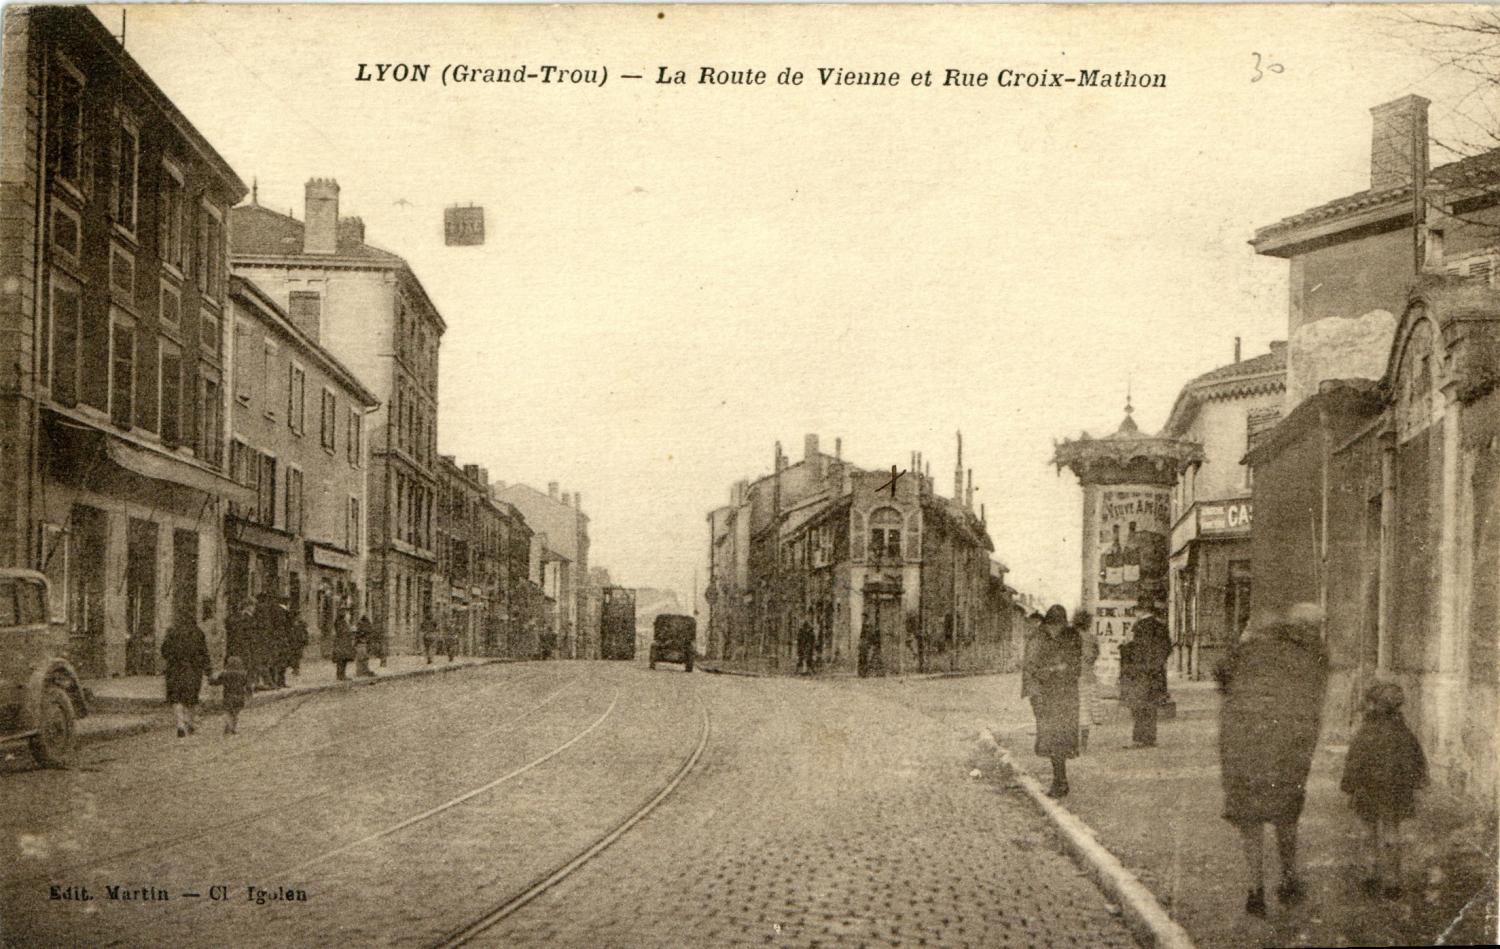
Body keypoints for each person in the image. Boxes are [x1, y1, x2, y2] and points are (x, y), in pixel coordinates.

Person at [1217, 602, 1328, 917]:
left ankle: (1256, 890)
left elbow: (1222, 677)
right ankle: (1289, 878)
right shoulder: (1311, 656)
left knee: (1250, 821)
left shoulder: (1247, 650)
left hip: (1243, 748)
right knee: (1286, 816)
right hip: (1286, 751)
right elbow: (1311, 708)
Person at [1341, 681, 1428, 899]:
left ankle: (1371, 873)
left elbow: (1354, 761)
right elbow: (1416, 761)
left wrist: (1349, 786)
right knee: (1392, 831)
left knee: (1368, 830)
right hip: (1395, 790)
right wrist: (1416, 784)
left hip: (1368, 789)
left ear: (1375, 705)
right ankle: (1393, 881)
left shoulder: (1366, 732)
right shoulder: (1404, 733)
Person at [1025, 604, 1081, 798]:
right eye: (1052, 625)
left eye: (1059, 625)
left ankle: (1060, 781)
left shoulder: (1072, 636)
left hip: (1066, 696)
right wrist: (1036, 693)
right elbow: (1030, 668)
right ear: (1047, 624)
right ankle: (1060, 780)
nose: (1055, 629)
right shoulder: (1038, 637)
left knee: (1062, 739)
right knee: (1051, 739)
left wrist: (1061, 669)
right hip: (1045, 696)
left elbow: (1076, 666)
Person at [160, 606, 212, 738]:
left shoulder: (171, 631)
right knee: (191, 698)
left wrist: (172, 659)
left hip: (175, 670)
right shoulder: (198, 632)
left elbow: (164, 651)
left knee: (176, 698)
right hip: (193, 670)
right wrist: (208, 670)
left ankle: (180, 724)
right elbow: (204, 653)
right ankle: (190, 723)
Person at [1118, 631, 1156, 748]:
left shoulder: (1129, 648)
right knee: (1145, 709)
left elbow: (1125, 666)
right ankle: (1148, 738)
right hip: (1145, 681)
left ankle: (1140, 739)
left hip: (1136, 682)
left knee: (1138, 710)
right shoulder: (1148, 647)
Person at [1073, 608, 1099, 750]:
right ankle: (1084, 743)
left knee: (1073, 710)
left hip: (1072, 678)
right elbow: (1094, 657)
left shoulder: (1070, 636)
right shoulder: (1093, 638)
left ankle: (1073, 741)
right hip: (1088, 678)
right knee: (1086, 711)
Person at [209, 655, 250, 736]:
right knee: (235, 713)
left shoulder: (225, 674)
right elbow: (247, 685)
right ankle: (233, 728)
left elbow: (214, 682)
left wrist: (211, 678)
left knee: (228, 712)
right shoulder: (243, 674)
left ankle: (229, 727)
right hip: (240, 697)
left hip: (228, 696)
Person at [331, 609, 356, 681]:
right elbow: (342, 632)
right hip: (341, 643)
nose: (349, 616)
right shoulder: (341, 623)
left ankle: (342, 675)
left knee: (344, 659)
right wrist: (351, 630)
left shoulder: (345, 622)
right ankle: (340, 675)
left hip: (344, 643)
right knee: (341, 659)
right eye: (348, 614)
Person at [355, 611, 377, 677]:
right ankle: (361, 671)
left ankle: (363, 671)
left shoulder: (361, 624)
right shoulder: (363, 624)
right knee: (362, 658)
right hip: (361, 643)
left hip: (363, 643)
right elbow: (361, 633)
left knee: (364, 658)